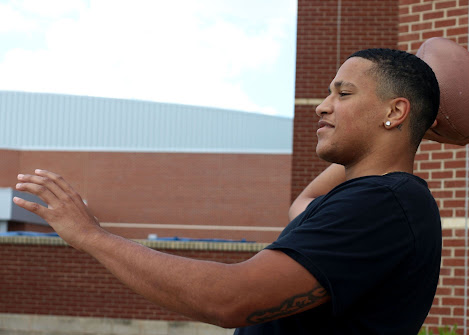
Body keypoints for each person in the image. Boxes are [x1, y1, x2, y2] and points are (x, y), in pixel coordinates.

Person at [14, 48, 442, 335]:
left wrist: (92, 236)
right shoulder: (367, 200)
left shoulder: (384, 203)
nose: (322, 105)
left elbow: (230, 298)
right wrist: (409, 128)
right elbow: (303, 205)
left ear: (394, 109)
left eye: (343, 93)